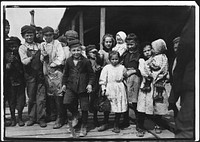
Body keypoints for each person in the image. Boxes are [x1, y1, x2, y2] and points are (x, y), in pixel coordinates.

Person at [61, 39, 95, 137]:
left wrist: (89, 84)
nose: (76, 53)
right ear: (70, 51)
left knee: (84, 108)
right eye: (74, 50)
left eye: (78, 50)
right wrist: (64, 84)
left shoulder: (85, 61)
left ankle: (84, 126)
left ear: (81, 50)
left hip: (83, 88)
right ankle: (75, 114)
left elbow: (91, 75)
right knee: (66, 102)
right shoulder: (69, 61)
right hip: (71, 87)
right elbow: (65, 74)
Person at [137, 39, 169, 136]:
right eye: (145, 51)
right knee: (143, 105)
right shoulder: (143, 61)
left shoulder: (161, 58)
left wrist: (154, 75)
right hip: (147, 86)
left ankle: (158, 124)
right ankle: (140, 126)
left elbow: (162, 70)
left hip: (157, 85)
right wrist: (149, 72)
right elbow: (145, 72)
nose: (148, 52)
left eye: (149, 50)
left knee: (158, 105)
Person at [172, 7, 195, 139]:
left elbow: (187, 44)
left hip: (192, 81)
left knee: (187, 127)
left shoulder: (194, 20)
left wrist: (178, 82)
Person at [18, 25, 46, 127]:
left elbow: (43, 58)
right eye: (27, 35)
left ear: (34, 35)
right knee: (31, 98)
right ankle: (32, 118)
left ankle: (41, 118)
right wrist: (31, 58)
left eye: (31, 35)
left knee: (41, 98)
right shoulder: (22, 47)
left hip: (40, 74)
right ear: (23, 36)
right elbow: (24, 61)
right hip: (30, 76)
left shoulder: (39, 46)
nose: (29, 37)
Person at [40, 26, 65, 129]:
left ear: (53, 35)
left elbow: (61, 57)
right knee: (50, 94)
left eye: (50, 35)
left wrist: (54, 64)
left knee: (58, 94)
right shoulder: (42, 45)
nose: (48, 37)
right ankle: (53, 114)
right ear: (43, 36)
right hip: (47, 72)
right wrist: (44, 57)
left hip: (56, 71)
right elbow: (41, 58)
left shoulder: (57, 43)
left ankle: (61, 117)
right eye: (46, 35)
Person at [99, 51, 128, 133]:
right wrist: (103, 88)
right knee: (108, 106)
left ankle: (116, 124)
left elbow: (126, 76)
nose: (114, 61)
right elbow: (103, 79)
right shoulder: (106, 68)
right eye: (112, 59)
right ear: (109, 59)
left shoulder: (122, 67)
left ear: (119, 59)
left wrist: (123, 83)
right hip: (110, 88)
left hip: (119, 88)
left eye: (116, 59)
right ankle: (105, 122)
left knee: (118, 106)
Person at [120, 33, 141, 129]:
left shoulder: (140, 54)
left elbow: (143, 69)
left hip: (136, 79)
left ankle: (139, 122)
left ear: (136, 43)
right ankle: (125, 120)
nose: (129, 46)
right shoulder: (125, 54)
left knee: (136, 101)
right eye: (128, 44)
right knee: (125, 100)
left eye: (131, 44)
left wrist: (133, 71)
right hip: (126, 79)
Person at [5, 37, 26, 127]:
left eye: (15, 46)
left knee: (20, 100)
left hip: (20, 80)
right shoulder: (6, 55)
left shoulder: (21, 53)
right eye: (10, 46)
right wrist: (7, 65)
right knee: (11, 100)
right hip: (10, 81)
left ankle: (20, 117)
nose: (13, 48)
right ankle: (13, 118)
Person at [97, 33, 115, 131]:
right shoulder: (101, 52)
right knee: (105, 99)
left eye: (110, 42)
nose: (108, 43)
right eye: (106, 42)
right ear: (103, 42)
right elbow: (99, 63)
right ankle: (105, 121)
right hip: (105, 78)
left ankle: (116, 121)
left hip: (113, 78)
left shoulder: (115, 52)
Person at [86, 45, 103, 127]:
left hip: (96, 81)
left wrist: (99, 68)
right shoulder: (86, 61)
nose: (94, 54)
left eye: (96, 52)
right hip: (88, 81)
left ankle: (95, 117)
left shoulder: (98, 60)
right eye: (92, 52)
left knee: (95, 98)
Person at [168, 37, 180, 118]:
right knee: (174, 104)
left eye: (178, 46)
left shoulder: (186, 59)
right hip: (175, 86)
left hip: (183, 86)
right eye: (174, 46)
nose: (175, 48)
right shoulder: (174, 59)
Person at [4, 19, 12, 126]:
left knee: (5, 95)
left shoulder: (10, 40)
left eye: (8, 26)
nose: (7, 29)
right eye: (4, 26)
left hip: (8, 73)